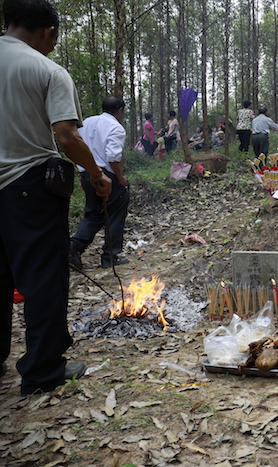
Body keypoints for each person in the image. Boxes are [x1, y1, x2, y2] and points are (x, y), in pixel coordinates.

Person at [0, 0, 112, 395]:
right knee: (43, 277)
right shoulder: (46, 69)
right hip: (29, 186)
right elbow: (66, 136)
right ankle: (42, 370)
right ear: (48, 31)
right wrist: (97, 175)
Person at [69, 95, 130, 271]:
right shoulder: (115, 127)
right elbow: (112, 157)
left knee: (94, 214)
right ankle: (110, 256)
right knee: (117, 210)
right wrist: (120, 178)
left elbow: (75, 148)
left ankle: (74, 247)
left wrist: (83, 173)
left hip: (88, 174)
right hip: (106, 176)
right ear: (120, 110)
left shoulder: (87, 123)